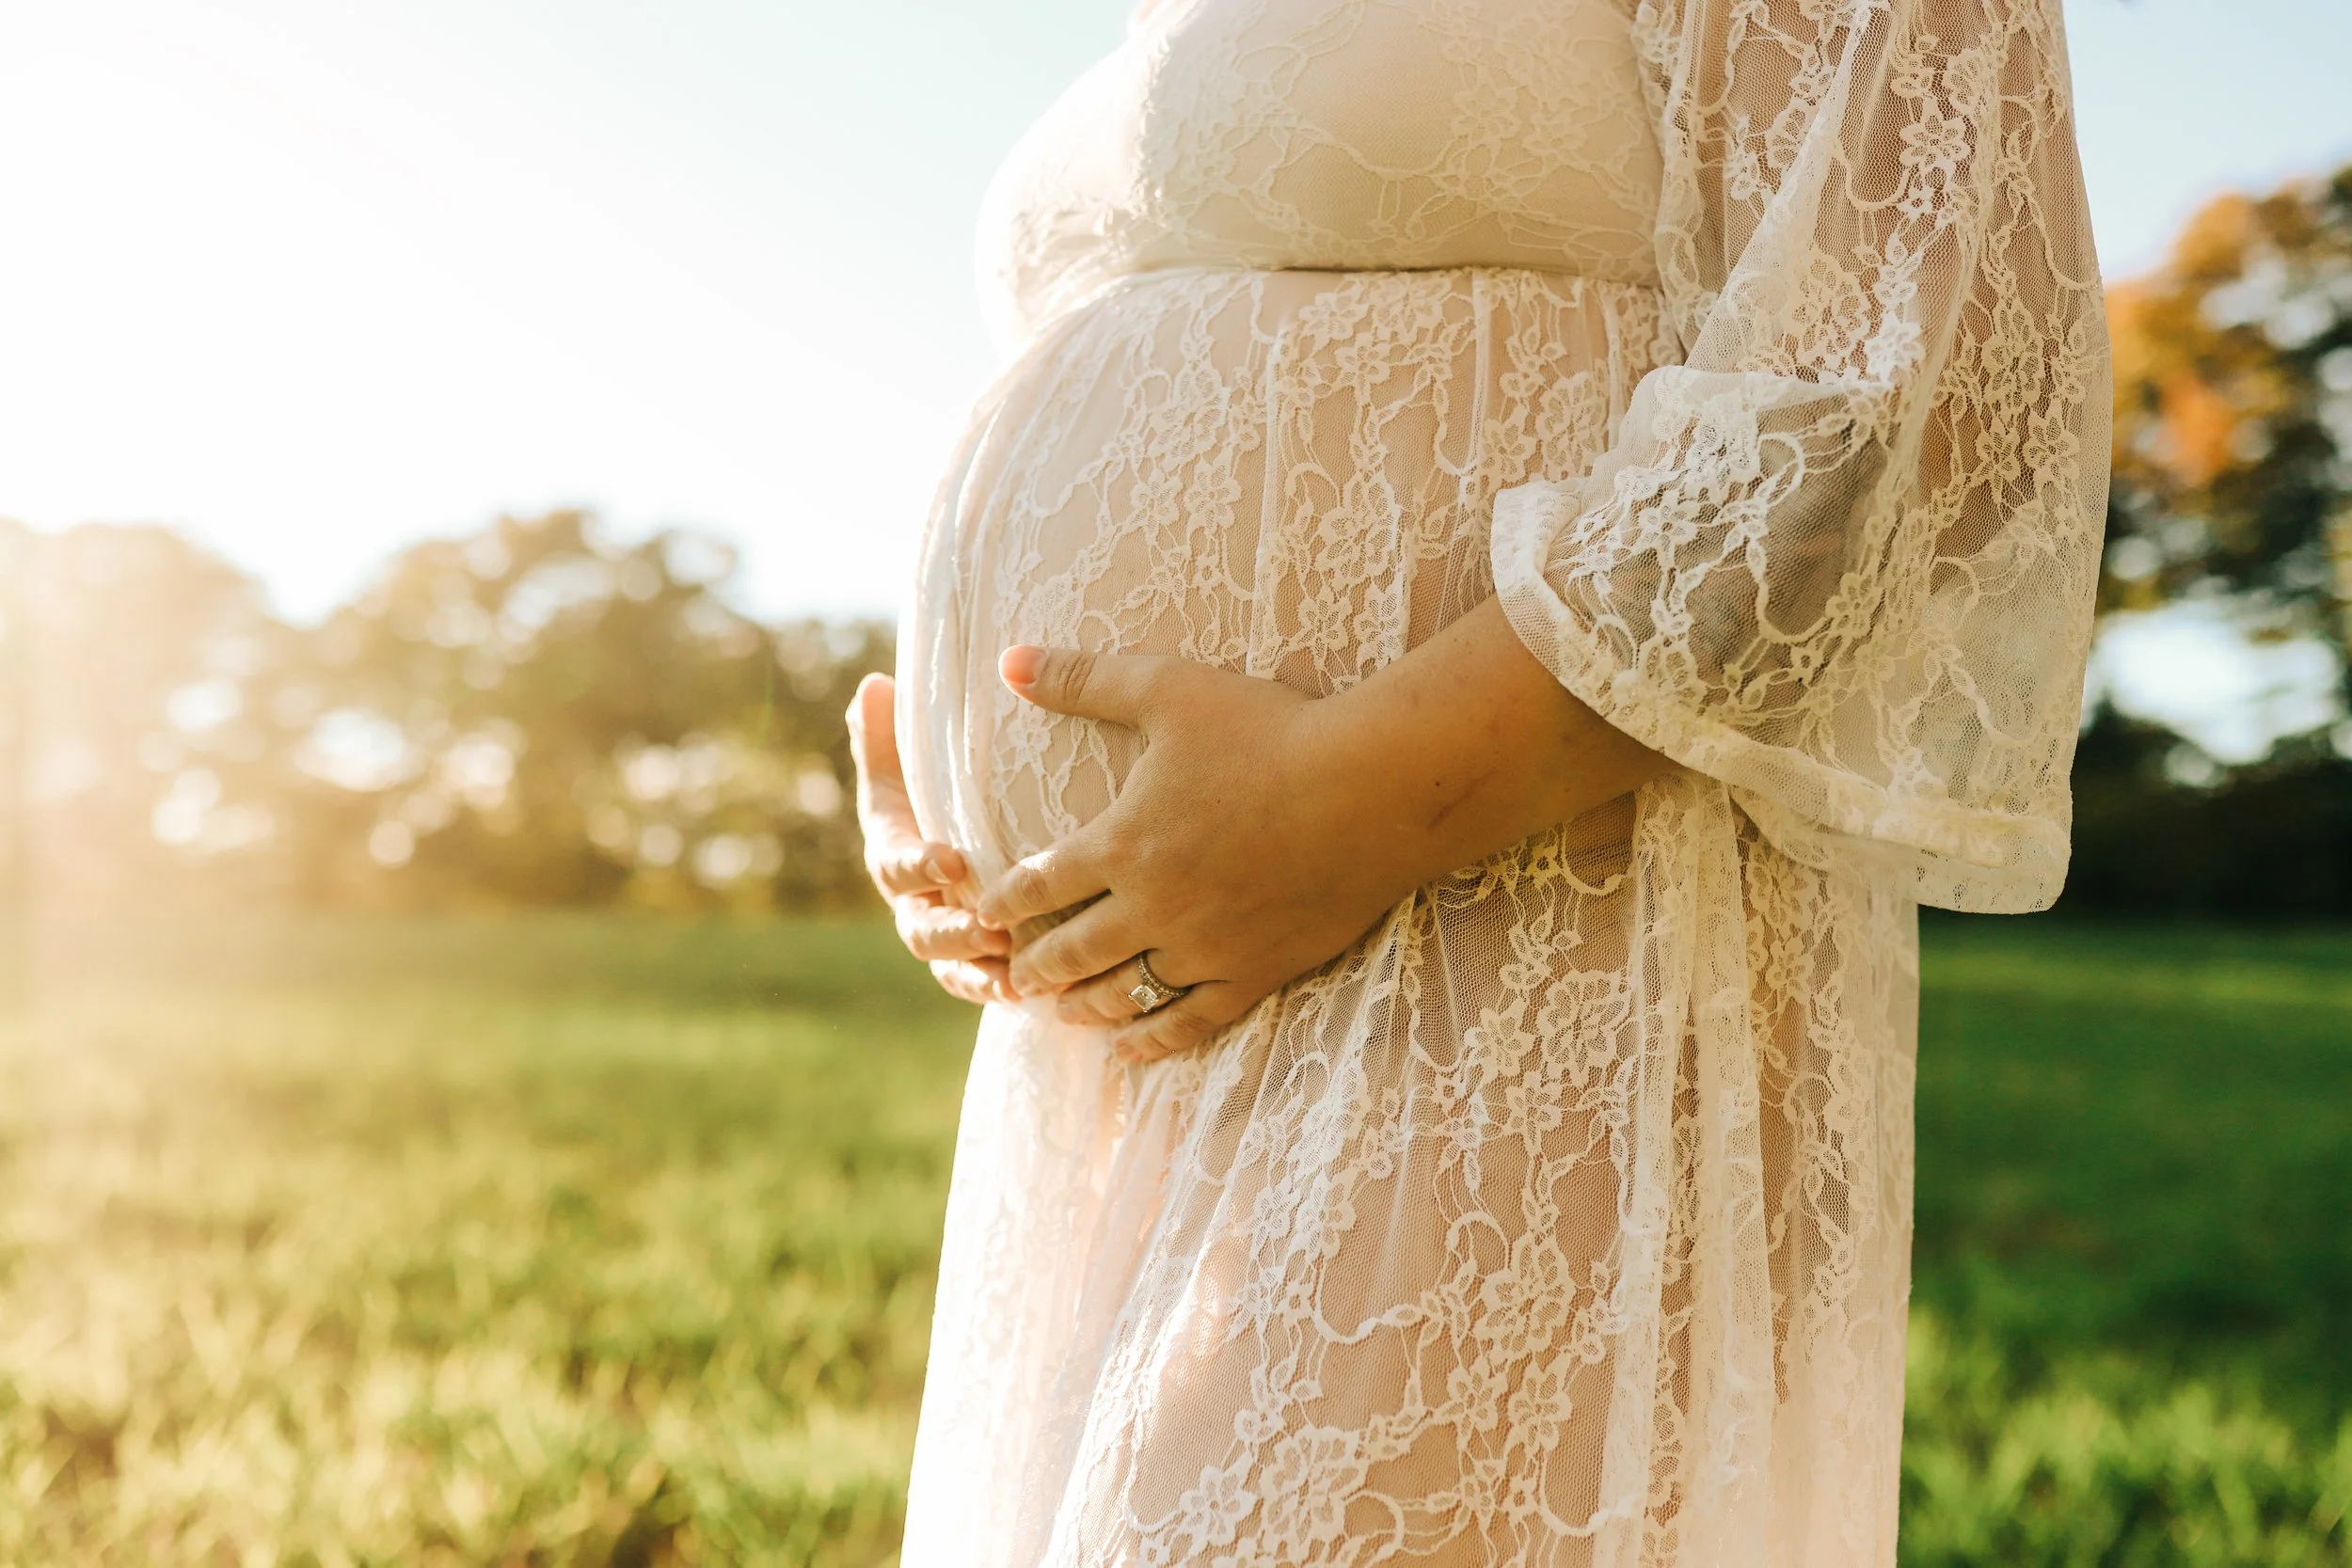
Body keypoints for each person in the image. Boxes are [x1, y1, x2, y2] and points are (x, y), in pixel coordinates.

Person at [851, 0, 2109, 1561]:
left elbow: (1920, 367)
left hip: (1505, 898)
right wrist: (978, 808)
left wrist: (1356, 798)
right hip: (1136, 1028)